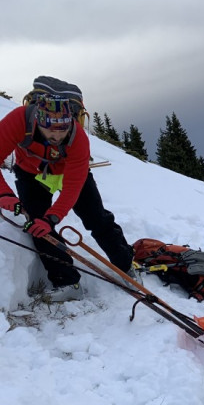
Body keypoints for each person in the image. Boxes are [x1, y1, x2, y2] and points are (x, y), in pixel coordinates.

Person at [0, 91, 134, 301]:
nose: (56, 137)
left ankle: (126, 265)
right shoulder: (18, 121)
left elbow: (72, 187)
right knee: (37, 225)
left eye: (61, 131)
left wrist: (52, 217)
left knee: (96, 217)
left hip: (67, 172)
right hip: (31, 171)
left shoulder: (77, 137)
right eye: (50, 131)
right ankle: (66, 281)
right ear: (37, 121)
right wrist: (4, 194)